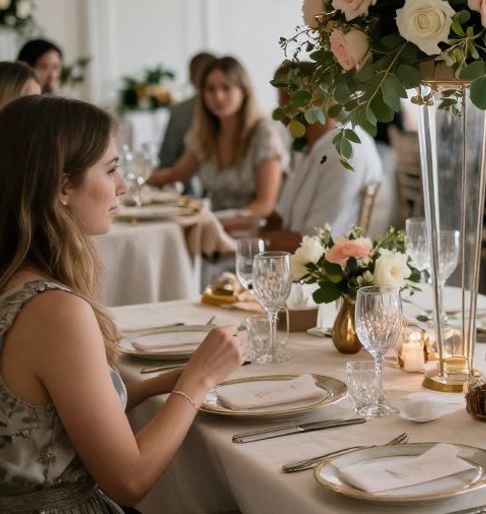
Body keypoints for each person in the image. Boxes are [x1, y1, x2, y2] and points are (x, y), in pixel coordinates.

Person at [0, 95, 245, 511]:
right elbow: (130, 480)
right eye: (110, 169)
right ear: (63, 186)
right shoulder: (54, 311)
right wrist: (198, 381)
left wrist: (160, 383)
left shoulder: (16, 279)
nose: (124, 186)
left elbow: (48, 412)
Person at [260, 62, 382, 252]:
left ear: (311, 102)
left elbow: (318, 242)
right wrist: (236, 225)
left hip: (319, 263)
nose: (280, 115)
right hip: (291, 253)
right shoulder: (311, 146)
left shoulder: (344, 151)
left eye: (284, 103)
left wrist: (246, 242)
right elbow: (281, 218)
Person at [148, 56, 285, 217]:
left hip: (253, 225)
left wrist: (219, 222)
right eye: (210, 89)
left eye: (226, 88)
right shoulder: (203, 134)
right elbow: (176, 175)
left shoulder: (264, 134)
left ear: (244, 91)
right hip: (213, 222)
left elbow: (265, 204)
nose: (218, 96)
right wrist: (135, 179)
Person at [158, 51, 217, 169]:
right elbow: (168, 160)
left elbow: (167, 160)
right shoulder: (180, 111)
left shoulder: (180, 111)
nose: (218, 96)